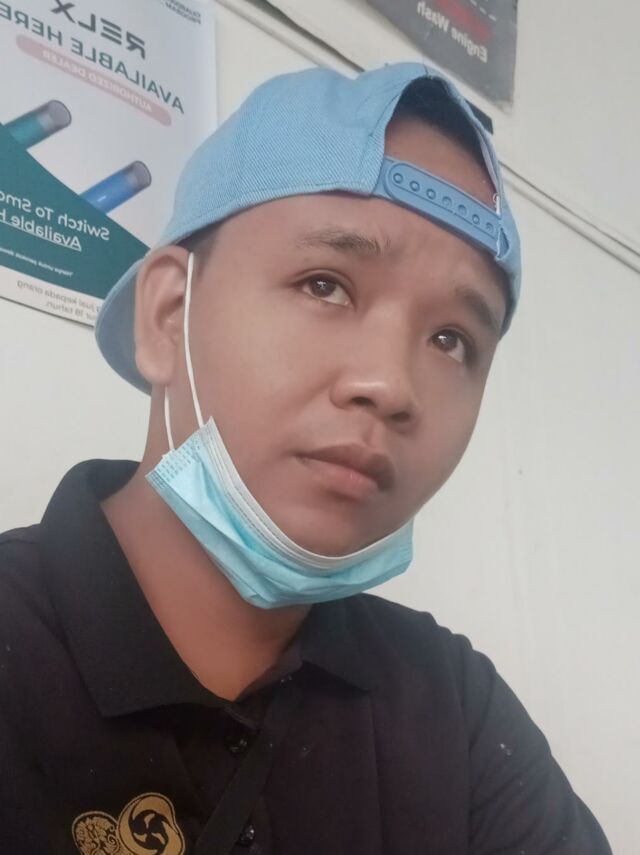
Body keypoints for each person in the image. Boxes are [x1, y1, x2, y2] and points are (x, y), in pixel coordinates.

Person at [0, 62, 611, 854]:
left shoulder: (456, 712)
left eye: (452, 340)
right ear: (168, 315)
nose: (391, 385)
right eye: (325, 285)